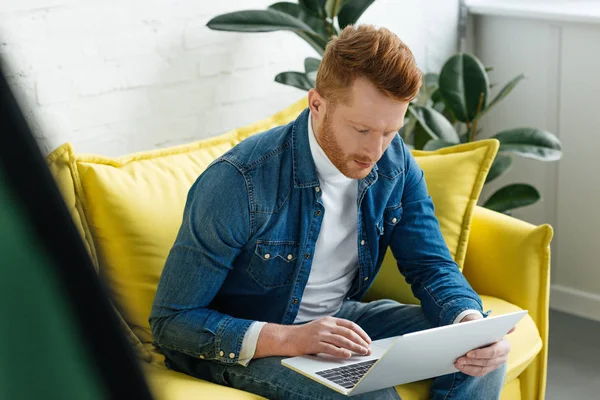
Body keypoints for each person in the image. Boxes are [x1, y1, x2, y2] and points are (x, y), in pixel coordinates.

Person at [149, 24, 512, 400]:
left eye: (389, 131)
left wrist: (469, 324)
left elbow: (431, 266)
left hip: (339, 320)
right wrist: (291, 338)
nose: (375, 150)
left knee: (481, 349)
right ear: (317, 105)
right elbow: (172, 321)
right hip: (249, 339)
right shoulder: (240, 181)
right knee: (371, 396)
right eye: (361, 129)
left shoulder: (395, 162)